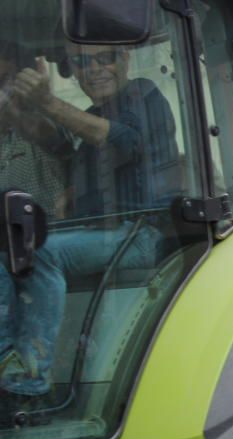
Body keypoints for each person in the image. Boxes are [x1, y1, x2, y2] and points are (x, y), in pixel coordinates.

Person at [1, 42, 178, 400]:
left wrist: (47, 102)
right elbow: (64, 143)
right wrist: (17, 110)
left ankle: (27, 382)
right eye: (82, 63)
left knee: (39, 253)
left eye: (105, 58)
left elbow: (124, 140)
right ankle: (8, 358)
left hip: (141, 235)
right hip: (105, 234)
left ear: (124, 58)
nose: (94, 69)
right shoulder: (94, 115)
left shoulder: (145, 96)